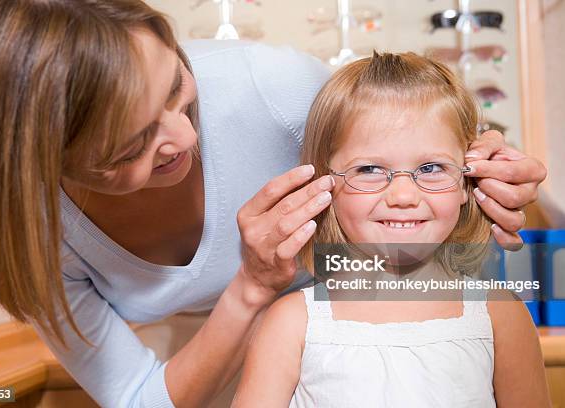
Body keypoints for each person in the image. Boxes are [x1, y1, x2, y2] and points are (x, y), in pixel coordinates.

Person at [0, 1, 546, 407]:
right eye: (131, 144)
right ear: (37, 165)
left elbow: (406, 132)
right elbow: (139, 397)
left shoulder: (274, 87)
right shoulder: (28, 237)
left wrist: (490, 164)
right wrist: (252, 291)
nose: (186, 138)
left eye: (178, 92)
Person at [233, 52, 551, 407]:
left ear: (466, 183)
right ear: (324, 187)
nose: (403, 195)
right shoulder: (292, 324)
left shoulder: (499, 315)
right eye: (369, 169)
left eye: (431, 167)